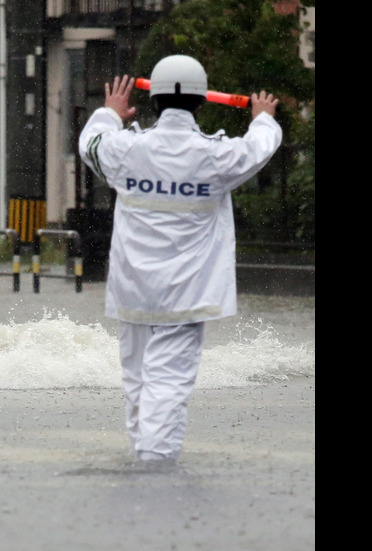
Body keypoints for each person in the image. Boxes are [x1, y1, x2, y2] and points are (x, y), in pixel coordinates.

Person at [77, 55, 282, 467]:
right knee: (167, 385)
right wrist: (262, 116)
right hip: (186, 294)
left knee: (137, 382)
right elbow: (260, 148)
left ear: (153, 100)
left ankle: (141, 457)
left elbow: (91, 144)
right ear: (202, 101)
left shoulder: (125, 150)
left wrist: (109, 112)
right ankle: (155, 469)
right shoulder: (216, 157)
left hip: (134, 290)